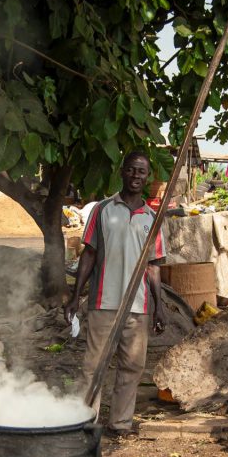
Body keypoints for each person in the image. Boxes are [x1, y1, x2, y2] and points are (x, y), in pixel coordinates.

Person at [64, 152, 168, 438]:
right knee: (93, 366)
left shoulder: (152, 218)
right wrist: (75, 296)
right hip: (103, 302)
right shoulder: (103, 209)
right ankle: (86, 421)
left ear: (148, 177)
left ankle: (120, 422)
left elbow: (154, 266)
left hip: (138, 307)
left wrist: (159, 307)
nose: (136, 176)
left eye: (142, 172)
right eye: (132, 170)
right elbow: (89, 254)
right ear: (122, 172)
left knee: (132, 367)